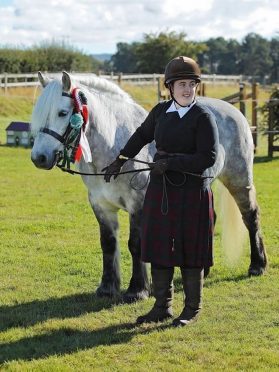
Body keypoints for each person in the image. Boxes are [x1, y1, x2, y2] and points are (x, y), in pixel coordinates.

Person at [103, 56, 219, 327]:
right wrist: (119, 160)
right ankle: (161, 306)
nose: (187, 89)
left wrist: (171, 164)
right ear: (170, 87)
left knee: (191, 250)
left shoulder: (203, 117)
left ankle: (191, 309)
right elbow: (142, 136)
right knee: (159, 247)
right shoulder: (159, 112)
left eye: (192, 84)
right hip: (163, 189)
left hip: (192, 192)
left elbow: (208, 157)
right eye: (182, 84)